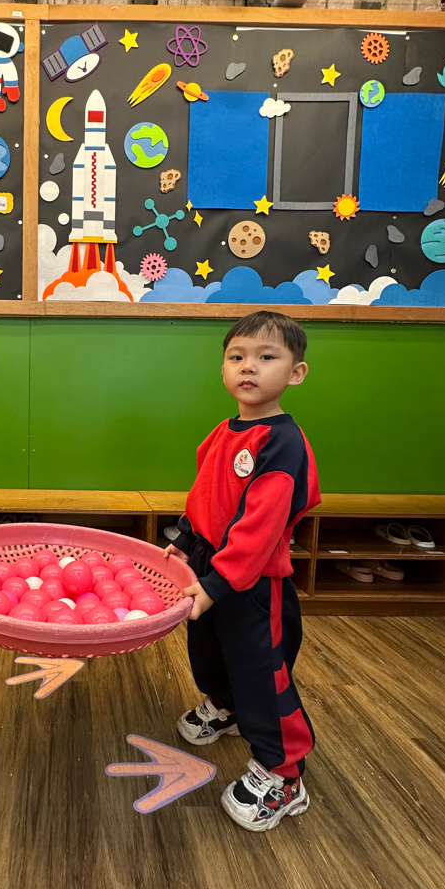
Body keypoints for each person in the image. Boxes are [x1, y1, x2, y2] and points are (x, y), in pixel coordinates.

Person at [164, 310, 320, 832]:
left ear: (296, 373)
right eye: (237, 356)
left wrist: (219, 581)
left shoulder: (283, 443)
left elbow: (260, 527)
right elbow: (205, 495)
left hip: (252, 583)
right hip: (210, 568)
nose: (248, 366)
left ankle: (284, 775)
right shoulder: (223, 432)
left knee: (262, 676)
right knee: (209, 651)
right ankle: (226, 705)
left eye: (266, 356)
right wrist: (185, 540)